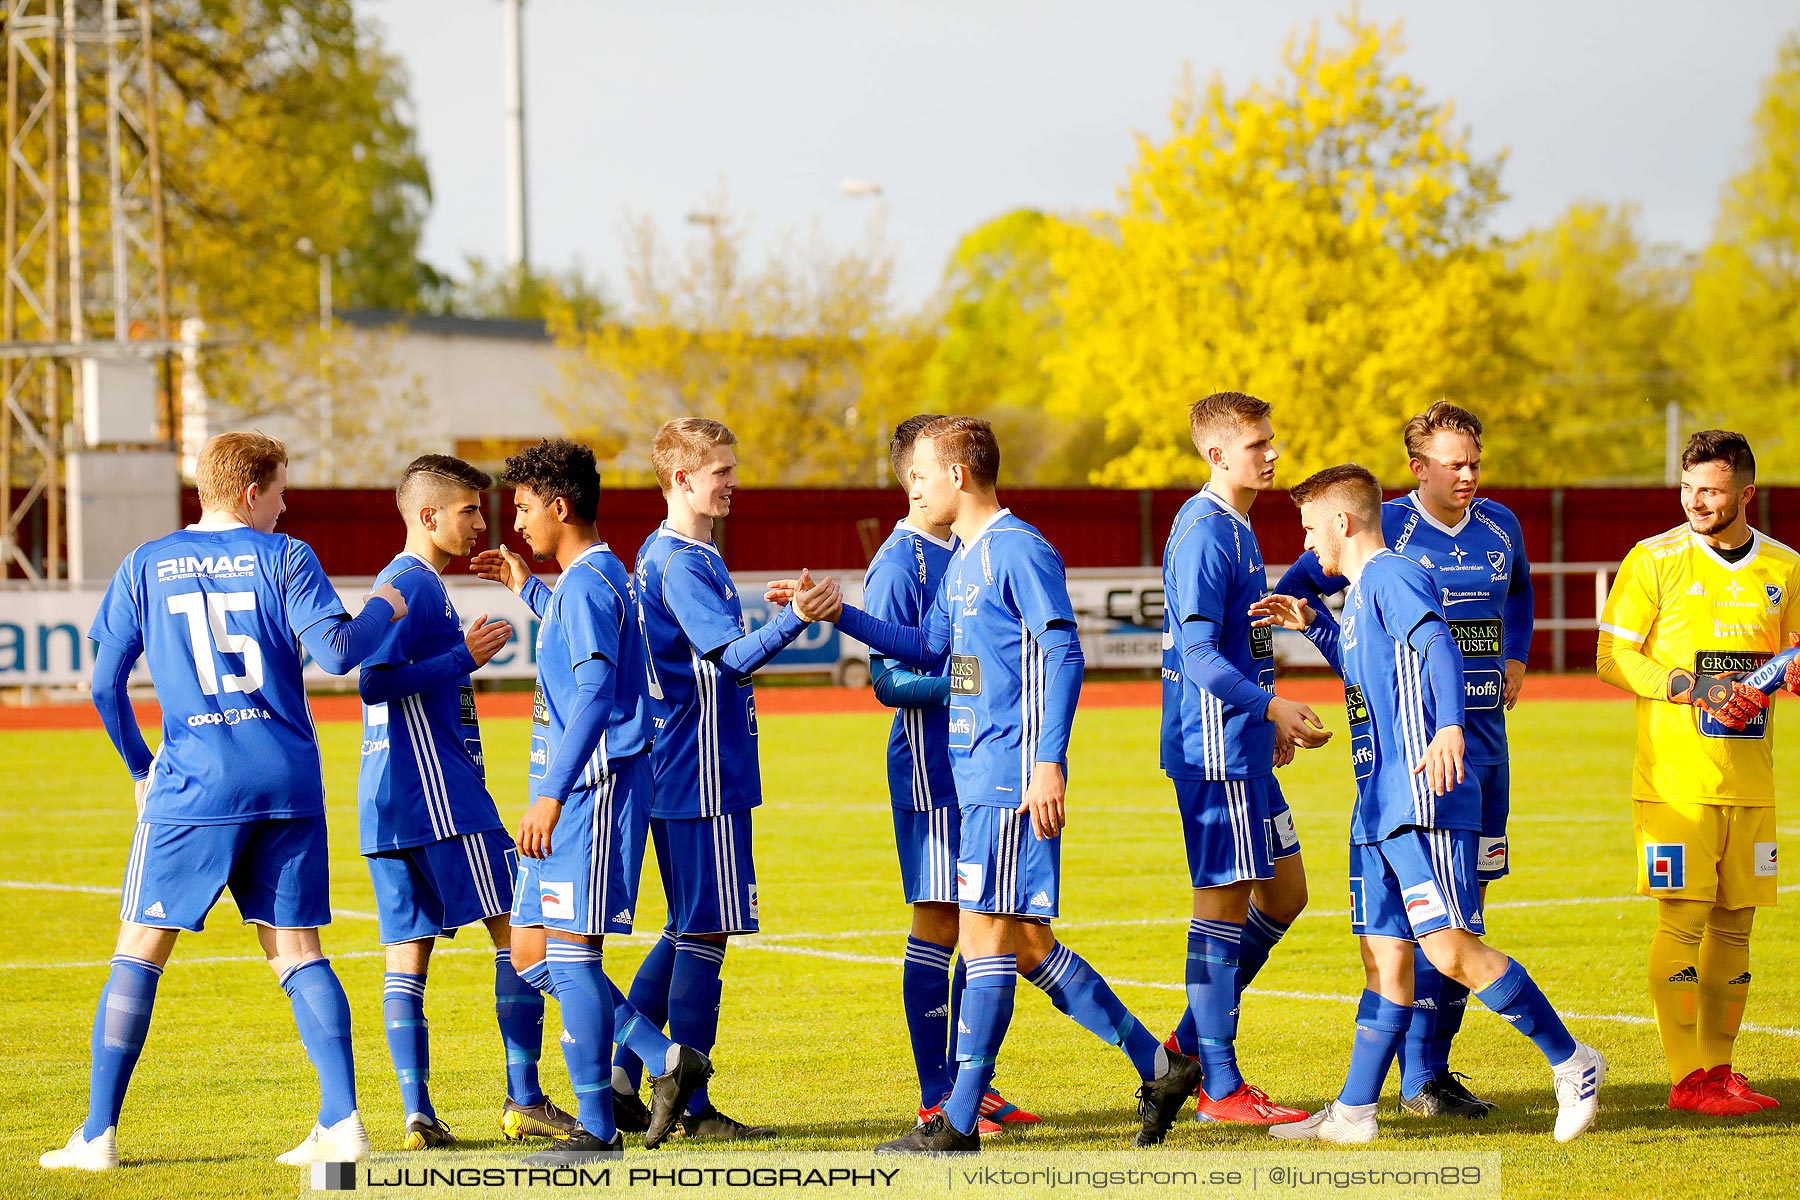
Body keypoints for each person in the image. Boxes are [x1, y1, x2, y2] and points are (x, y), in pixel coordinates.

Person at [811, 416, 1204, 1153]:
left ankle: (957, 1122)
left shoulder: (1019, 550)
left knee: (989, 941)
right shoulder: (965, 559)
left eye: (922, 472)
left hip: (1008, 776)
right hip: (977, 774)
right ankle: (1159, 1064)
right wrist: (844, 616)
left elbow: (1065, 651)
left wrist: (1048, 762)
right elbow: (927, 647)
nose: (914, 485)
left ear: (958, 475)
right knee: (1011, 941)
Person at [44, 432, 408, 1171]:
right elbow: (341, 652)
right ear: (250, 493)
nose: (286, 503)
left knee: (140, 950)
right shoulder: (286, 556)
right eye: (279, 489)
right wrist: (384, 607)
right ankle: (342, 1123)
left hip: (193, 786)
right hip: (285, 781)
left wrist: (141, 766)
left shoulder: (146, 563)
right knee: (299, 952)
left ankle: (97, 1137)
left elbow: (103, 685)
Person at [1251, 464, 1602, 1145]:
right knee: (1383, 958)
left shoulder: (1392, 575)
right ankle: (1354, 1112)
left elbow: (1439, 645)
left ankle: (1573, 1060)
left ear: (1343, 522)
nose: (1305, 540)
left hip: (1421, 797)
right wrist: (1315, 627)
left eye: (1308, 526)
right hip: (1378, 804)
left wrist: (1448, 728)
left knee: (1447, 949)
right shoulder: (1359, 598)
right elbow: (1371, 674)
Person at [1276, 401, 1533, 1117]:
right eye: (1455, 463)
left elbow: (1522, 591)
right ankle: (1411, 1080)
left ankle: (1429, 1072)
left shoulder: (1500, 525)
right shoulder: (1382, 533)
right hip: (1414, 757)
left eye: (1476, 461)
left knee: (1463, 917)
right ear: (1416, 469)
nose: (1470, 475)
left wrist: (1515, 655)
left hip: (1483, 747)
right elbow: (1306, 591)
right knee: (1419, 932)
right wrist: (1316, 634)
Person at [472, 438, 713, 1157]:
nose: (516, 523)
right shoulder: (596, 576)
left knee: (572, 955)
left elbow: (595, 693)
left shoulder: (590, 581)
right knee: (527, 951)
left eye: (522, 508)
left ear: (560, 505)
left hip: (592, 791)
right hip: (574, 788)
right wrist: (527, 588)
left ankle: (596, 1126)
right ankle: (665, 1059)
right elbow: (587, 642)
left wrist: (548, 794)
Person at [356, 454, 585, 1151]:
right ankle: (526, 1096)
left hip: (386, 803)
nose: (482, 523)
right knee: (521, 935)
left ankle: (417, 1113)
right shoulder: (412, 585)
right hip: (442, 800)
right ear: (428, 517)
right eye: (468, 511)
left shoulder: (410, 584)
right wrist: (463, 658)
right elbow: (371, 681)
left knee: (407, 953)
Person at [609, 418, 827, 1140]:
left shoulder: (670, 552)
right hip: (701, 772)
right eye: (720, 471)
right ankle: (694, 1107)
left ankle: (620, 1077)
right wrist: (797, 617)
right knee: (706, 931)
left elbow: (704, 649)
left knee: (684, 928)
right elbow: (731, 660)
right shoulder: (681, 561)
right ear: (680, 479)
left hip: (681, 765)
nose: (732, 481)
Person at [1596, 429, 1800, 1114]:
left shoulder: (1784, 567)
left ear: (1745, 492)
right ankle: (1687, 1078)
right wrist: (1688, 686)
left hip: (1751, 781)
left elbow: (1792, 658)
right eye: (1687, 489)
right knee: (1683, 921)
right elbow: (1612, 657)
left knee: (1737, 926)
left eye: (1710, 490)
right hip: (1675, 782)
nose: (1696, 502)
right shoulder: (1653, 559)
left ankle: (1721, 1071)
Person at [862, 415, 1034, 1137]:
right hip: (933, 773)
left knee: (981, 926)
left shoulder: (971, 548)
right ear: (916, 479)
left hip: (980, 766)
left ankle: (973, 1084)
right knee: (940, 919)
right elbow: (887, 679)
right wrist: (976, 680)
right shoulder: (900, 563)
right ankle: (937, 1093)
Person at [1159, 392, 1326, 1125]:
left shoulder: (1242, 527)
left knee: (1285, 895)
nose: (1272, 454)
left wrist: (1270, 718)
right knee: (1221, 909)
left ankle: (1187, 1045)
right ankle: (1219, 1089)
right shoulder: (1203, 531)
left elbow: (1239, 643)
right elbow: (1195, 654)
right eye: (1257, 444)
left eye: (1272, 440)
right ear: (1216, 454)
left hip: (1247, 744)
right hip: (1213, 748)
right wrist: (1269, 709)